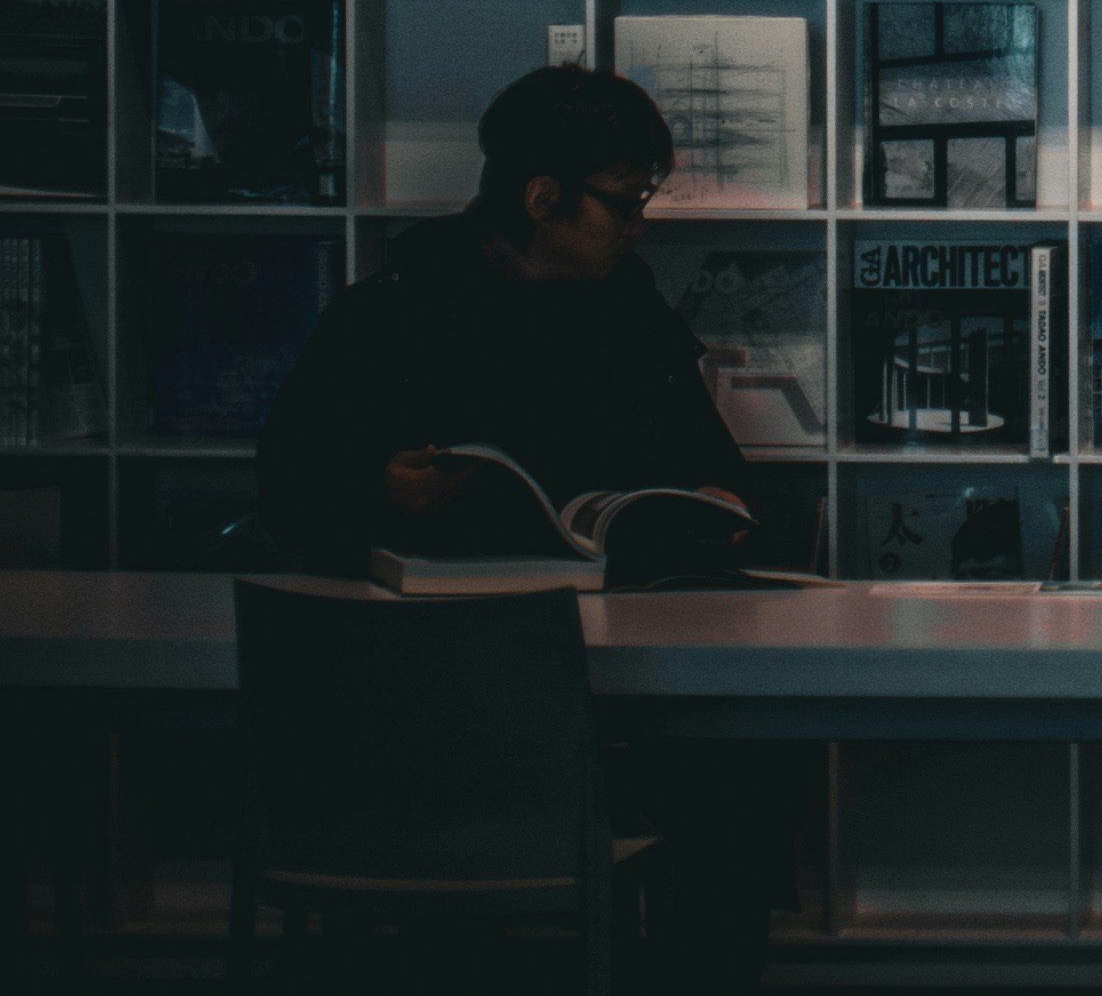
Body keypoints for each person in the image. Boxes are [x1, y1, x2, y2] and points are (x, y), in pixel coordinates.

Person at [253, 66, 797, 991]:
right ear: (543, 197)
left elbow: (716, 468)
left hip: (616, 651)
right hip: (439, 673)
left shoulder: (628, 305)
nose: (638, 225)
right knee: (690, 768)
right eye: (624, 203)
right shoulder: (395, 306)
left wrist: (711, 505)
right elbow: (288, 483)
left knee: (741, 757)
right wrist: (377, 486)